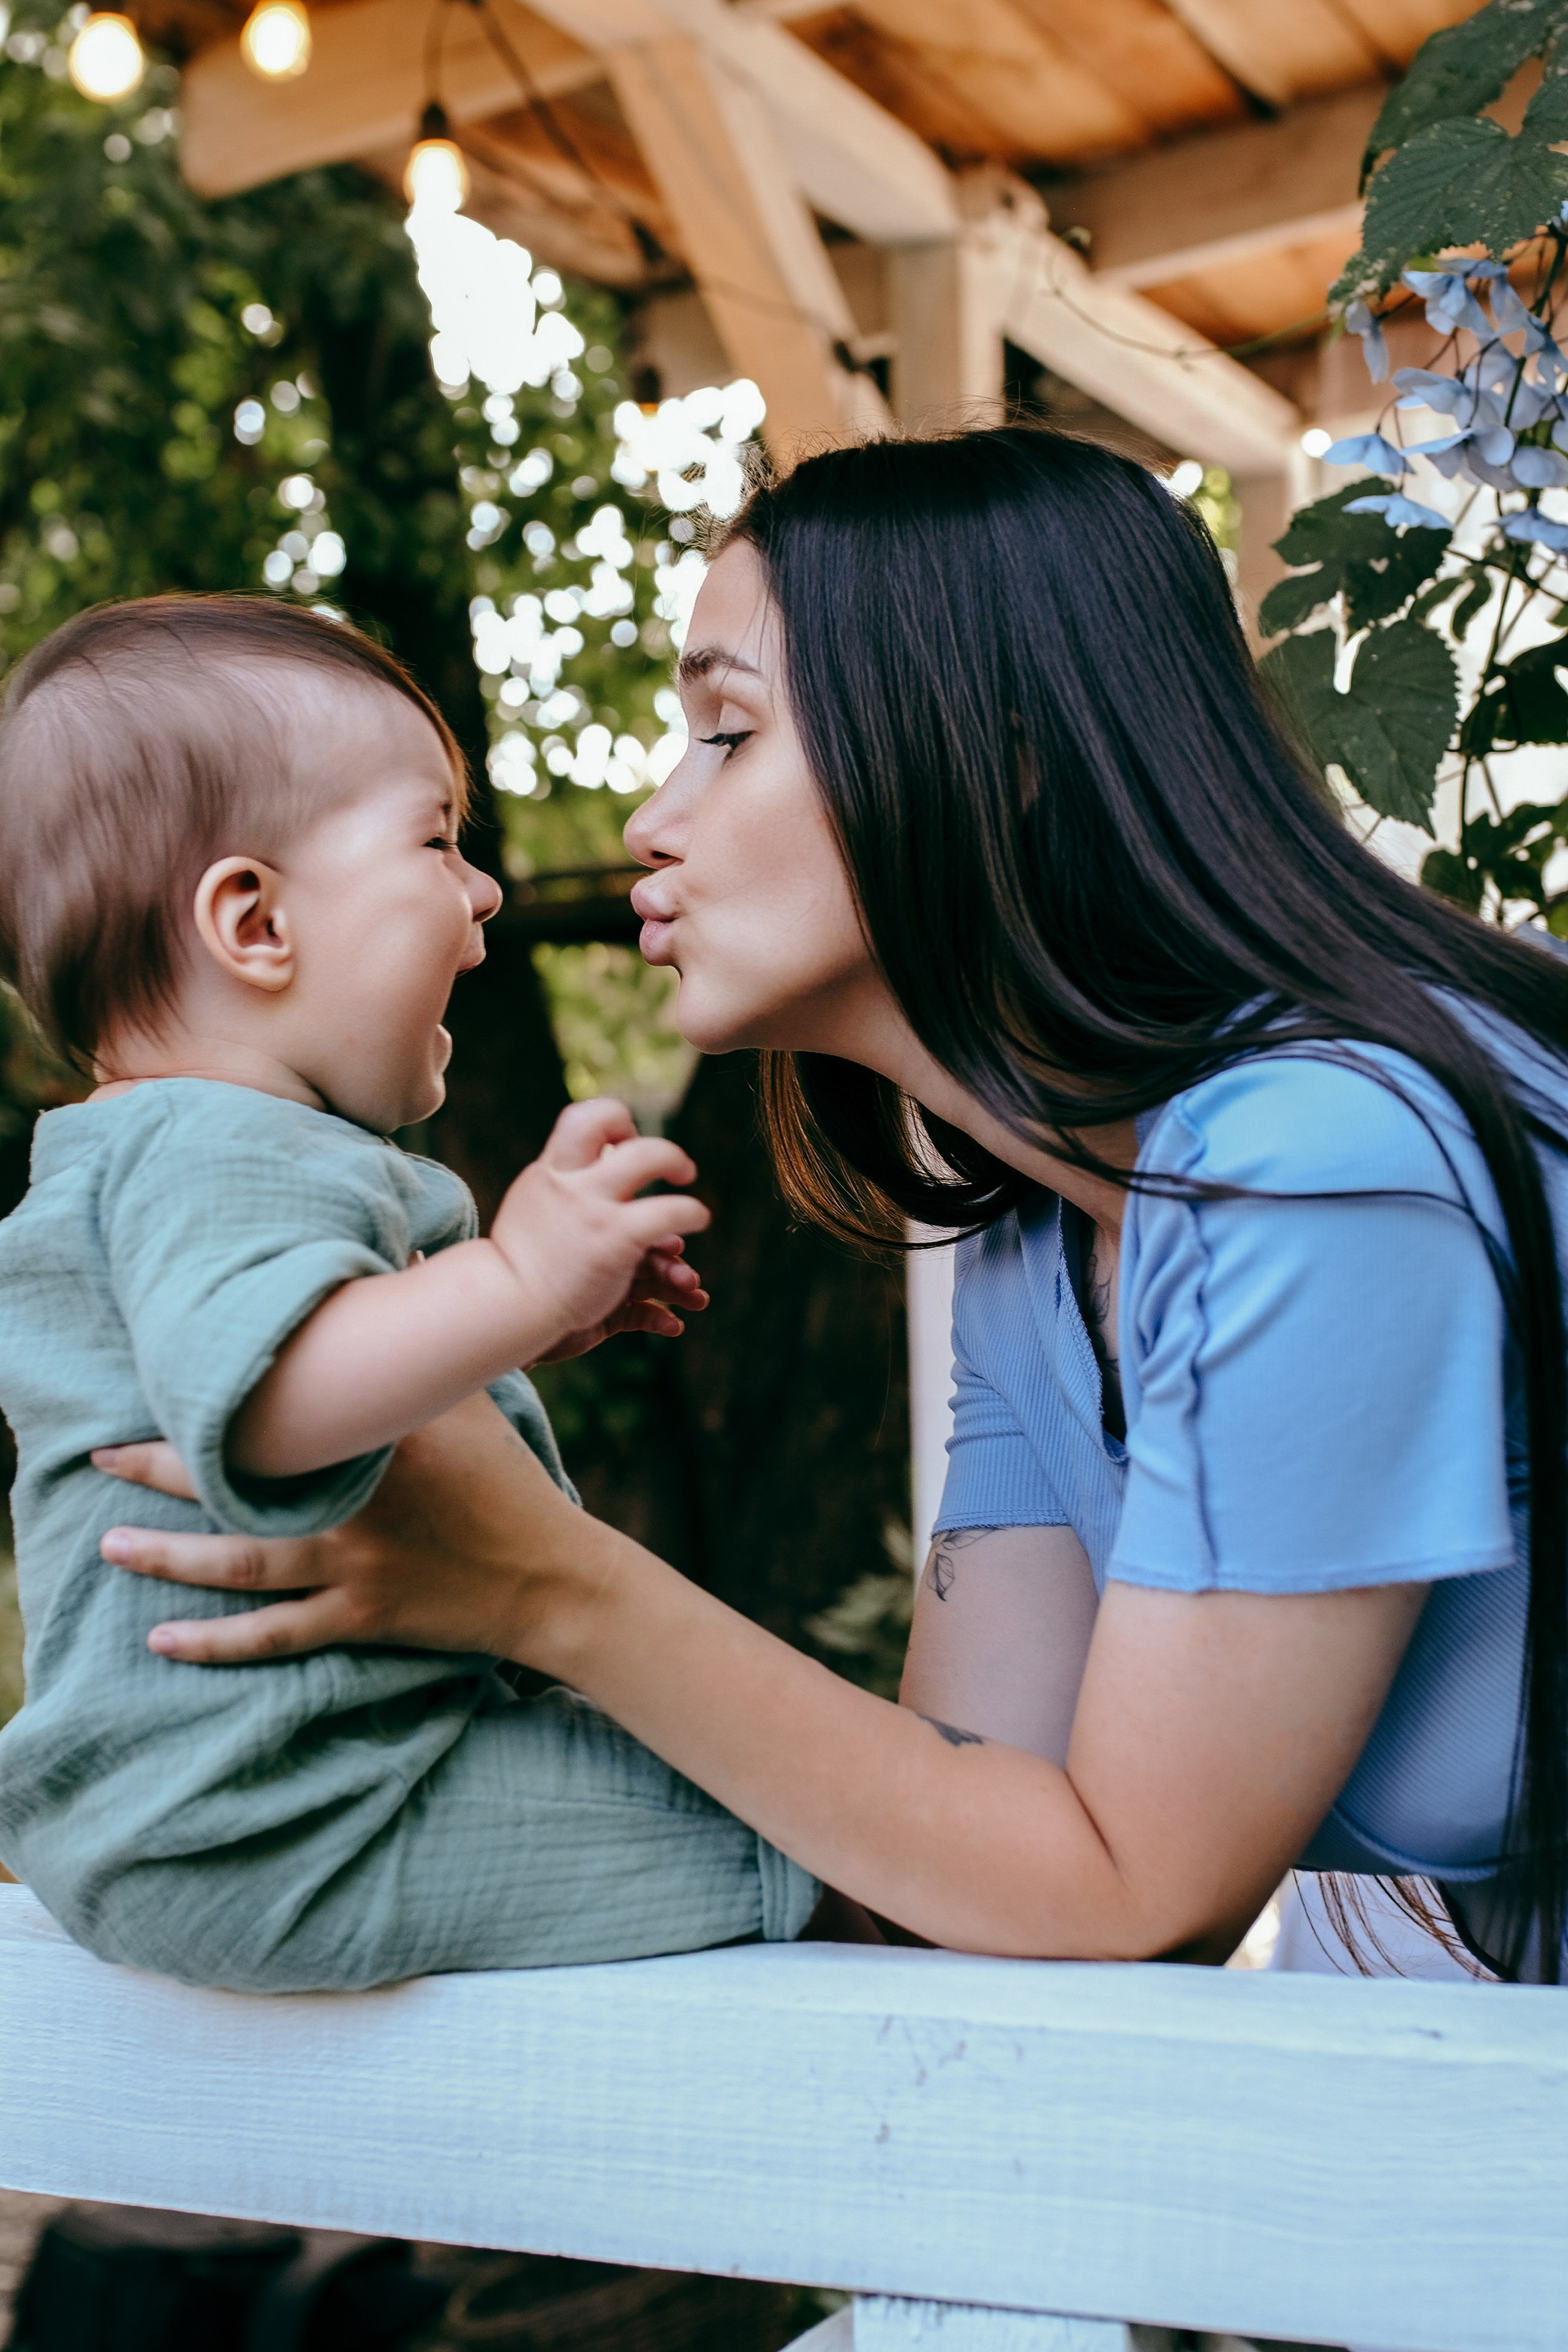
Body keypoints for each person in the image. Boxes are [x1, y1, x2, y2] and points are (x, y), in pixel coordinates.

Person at [94, 429, 1568, 1983]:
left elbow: (1140, 1894)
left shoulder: (1320, 1162)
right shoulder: (1036, 1229)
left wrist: (546, 1584)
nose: (651, 823)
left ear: (995, 751)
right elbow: (982, 1843)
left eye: (726, 732)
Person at [0, 596, 819, 1992]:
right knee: (819, 1841)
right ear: (253, 921)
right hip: (288, 1813)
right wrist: (511, 1277)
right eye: (436, 842)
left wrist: (527, 1327)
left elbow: (328, 1373)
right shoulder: (215, 1140)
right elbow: (266, 1408)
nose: (485, 890)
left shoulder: (164, 1152)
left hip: (258, 1797)